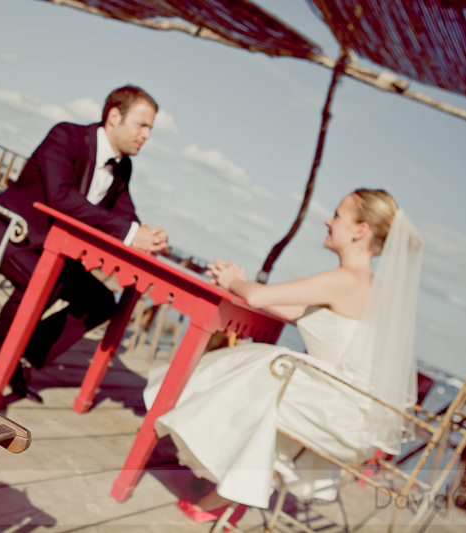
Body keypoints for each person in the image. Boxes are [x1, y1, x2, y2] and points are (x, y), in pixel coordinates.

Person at [143, 189, 423, 521]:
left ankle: (224, 485)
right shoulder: (367, 284)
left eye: (337, 215)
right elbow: (292, 309)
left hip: (338, 415)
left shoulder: (346, 279)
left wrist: (235, 281)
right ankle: (229, 493)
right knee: (262, 371)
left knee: (258, 370)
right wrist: (245, 287)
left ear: (359, 231)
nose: (327, 220)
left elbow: (260, 298)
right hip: (351, 413)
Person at [0, 85, 168, 402]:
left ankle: (23, 355)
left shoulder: (122, 166)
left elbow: (125, 214)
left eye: (150, 128)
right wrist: (128, 231)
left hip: (49, 252)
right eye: (142, 125)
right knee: (46, 280)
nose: (147, 135)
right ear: (114, 116)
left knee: (100, 302)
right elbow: (61, 198)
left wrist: (148, 236)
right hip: (5, 230)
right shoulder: (66, 136)